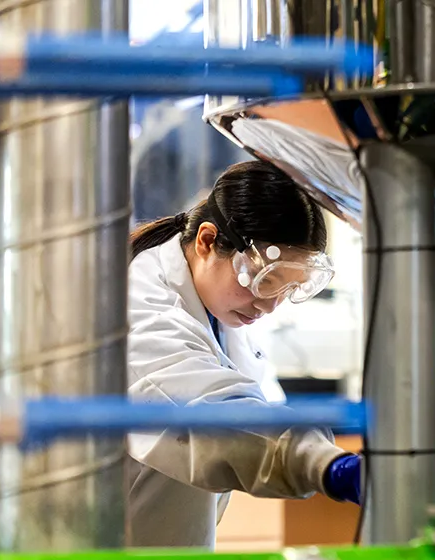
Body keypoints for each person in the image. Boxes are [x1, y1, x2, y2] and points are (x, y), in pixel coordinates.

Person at [125, 160, 361, 547]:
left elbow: (259, 405)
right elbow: (215, 419)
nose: (268, 306)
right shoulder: (144, 310)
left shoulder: (224, 310)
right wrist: (329, 466)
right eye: (264, 281)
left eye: (284, 290)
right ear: (206, 241)